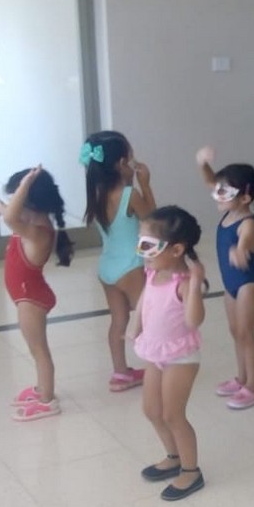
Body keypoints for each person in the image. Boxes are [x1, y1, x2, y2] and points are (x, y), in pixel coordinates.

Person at [132, 206, 207, 501]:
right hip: (155, 351)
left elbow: (193, 320)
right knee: (151, 410)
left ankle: (191, 471)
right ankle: (173, 456)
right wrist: (134, 325)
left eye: (148, 245)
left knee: (173, 414)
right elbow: (144, 299)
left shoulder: (184, 282)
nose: (142, 251)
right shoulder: (153, 272)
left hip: (181, 356)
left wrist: (196, 284)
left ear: (176, 250)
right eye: (140, 243)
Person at [81, 130, 156, 392]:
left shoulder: (96, 194)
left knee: (118, 320)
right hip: (131, 267)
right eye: (131, 158)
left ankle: (120, 373)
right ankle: (158, 370)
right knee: (149, 319)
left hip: (107, 268)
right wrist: (145, 184)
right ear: (122, 164)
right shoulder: (130, 195)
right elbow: (154, 221)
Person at [0, 166, 73, 422]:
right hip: (28, 296)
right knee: (35, 349)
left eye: (17, 197)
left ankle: (47, 401)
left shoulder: (38, 232)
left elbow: (9, 217)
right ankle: (42, 388)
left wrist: (25, 184)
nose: (12, 204)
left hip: (31, 300)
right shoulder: (29, 224)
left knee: (39, 350)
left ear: (29, 203)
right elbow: (7, 213)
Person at [196, 148, 254, 410]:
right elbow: (210, 180)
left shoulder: (247, 222)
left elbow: (248, 240)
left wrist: (241, 250)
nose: (217, 194)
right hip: (231, 285)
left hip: (248, 284)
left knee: (246, 334)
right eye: (218, 190)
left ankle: (253, 387)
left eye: (224, 192)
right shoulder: (229, 212)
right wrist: (203, 163)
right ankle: (242, 378)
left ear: (245, 198)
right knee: (236, 332)